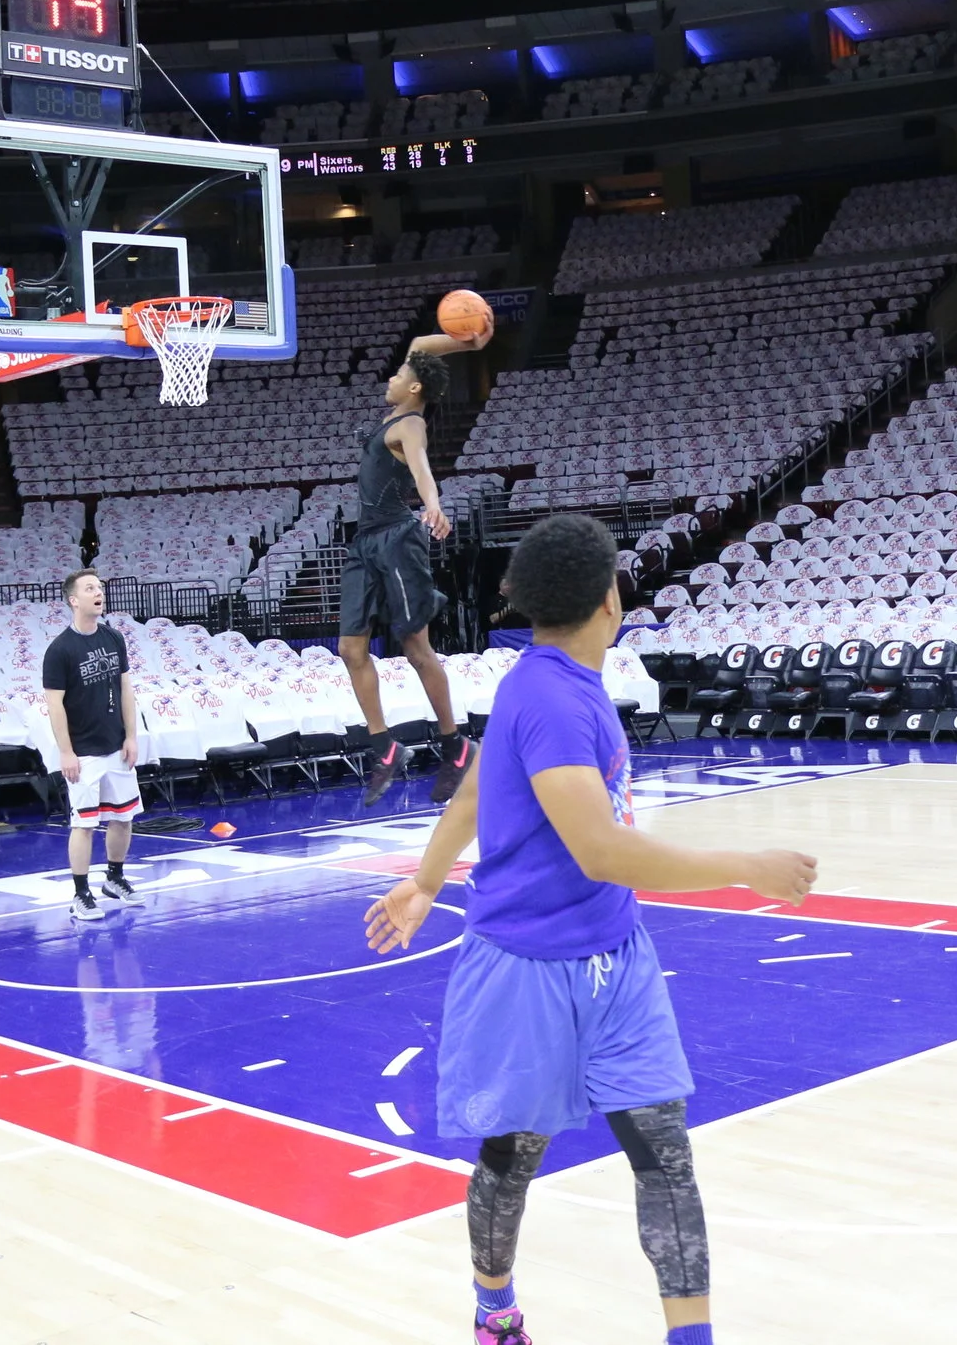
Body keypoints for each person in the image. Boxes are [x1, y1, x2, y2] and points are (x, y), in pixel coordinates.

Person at [366, 513, 817, 1345]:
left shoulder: (547, 681)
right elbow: (601, 849)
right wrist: (745, 866)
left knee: (664, 1154)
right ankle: (495, 1311)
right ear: (610, 597)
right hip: (525, 967)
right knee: (512, 1155)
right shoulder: (550, 698)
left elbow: (477, 788)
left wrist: (426, 882)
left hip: (616, 959)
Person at [349, 314, 493, 809]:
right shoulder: (397, 409)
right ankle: (384, 747)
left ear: (413, 388)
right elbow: (419, 343)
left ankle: (455, 745)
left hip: (397, 539)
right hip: (365, 542)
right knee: (350, 648)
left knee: (416, 647)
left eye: (397, 376)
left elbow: (422, 468)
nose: (389, 379)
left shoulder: (410, 424)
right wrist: (467, 342)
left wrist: (433, 503)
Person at [42, 568, 144, 924]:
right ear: (74, 600)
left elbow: (126, 689)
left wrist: (131, 736)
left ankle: (114, 878)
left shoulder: (114, 637)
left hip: (116, 745)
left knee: (123, 818)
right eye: (90, 588)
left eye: (99, 587)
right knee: (84, 824)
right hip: (83, 752)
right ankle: (81, 894)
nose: (98, 592)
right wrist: (66, 752)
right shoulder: (60, 650)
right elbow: (54, 705)